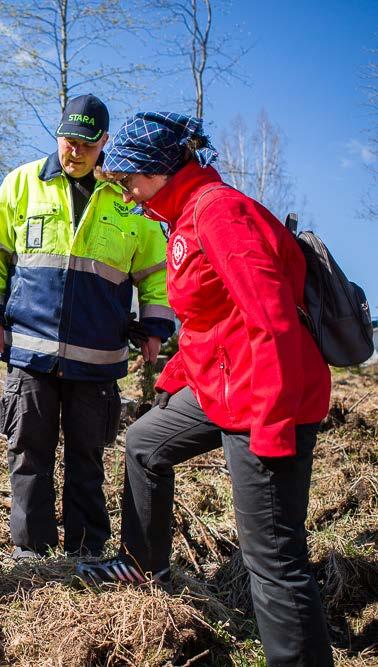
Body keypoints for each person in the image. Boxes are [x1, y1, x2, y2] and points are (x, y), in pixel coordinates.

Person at [80, 112, 333, 666]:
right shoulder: (185, 218)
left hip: (269, 396)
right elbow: (205, 323)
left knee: (272, 558)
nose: (126, 191)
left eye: (130, 180)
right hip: (223, 383)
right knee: (145, 443)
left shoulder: (220, 213)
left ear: (162, 170)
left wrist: (270, 426)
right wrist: (174, 379)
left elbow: (272, 322)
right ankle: (145, 569)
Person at [0, 96, 174, 560]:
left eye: (86, 143)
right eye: (67, 140)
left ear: (103, 143)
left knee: (88, 460)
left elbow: (158, 273)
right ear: (57, 137)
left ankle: (87, 549)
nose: (74, 151)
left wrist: (157, 326)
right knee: (28, 454)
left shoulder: (128, 201)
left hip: (98, 359)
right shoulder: (23, 183)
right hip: (30, 353)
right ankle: (31, 550)